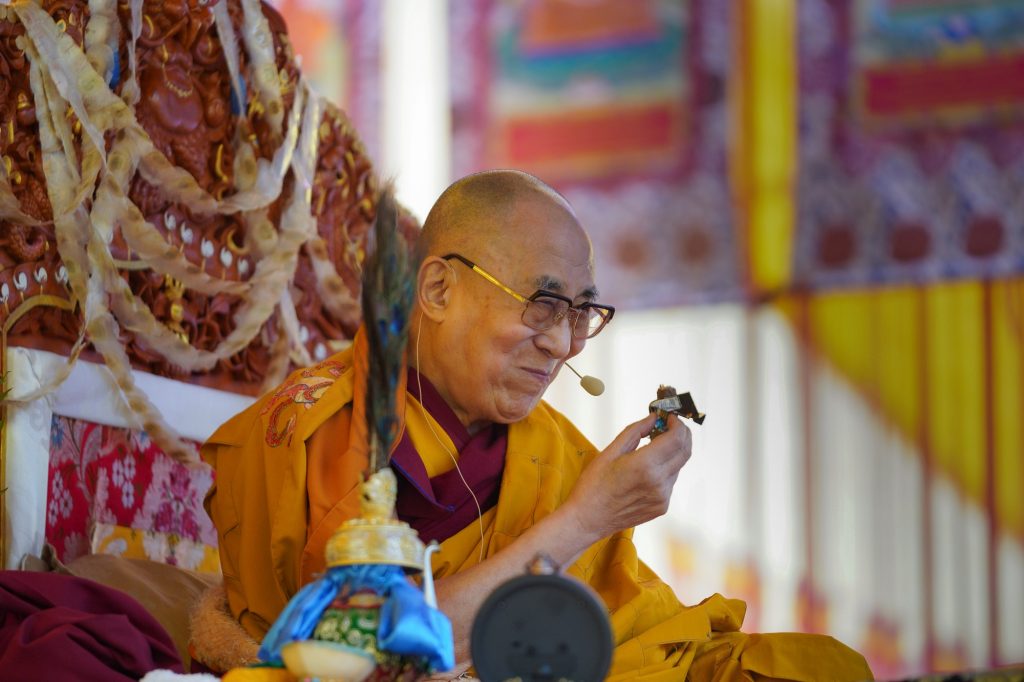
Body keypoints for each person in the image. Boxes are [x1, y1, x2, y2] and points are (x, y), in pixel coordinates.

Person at [201, 169, 873, 680]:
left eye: (582, 312)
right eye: (545, 304)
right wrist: (587, 519)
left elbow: (631, 634)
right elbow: (377, 654)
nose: (566, 345)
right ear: (437, 291)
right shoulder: (317, 430)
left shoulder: (555, 452)